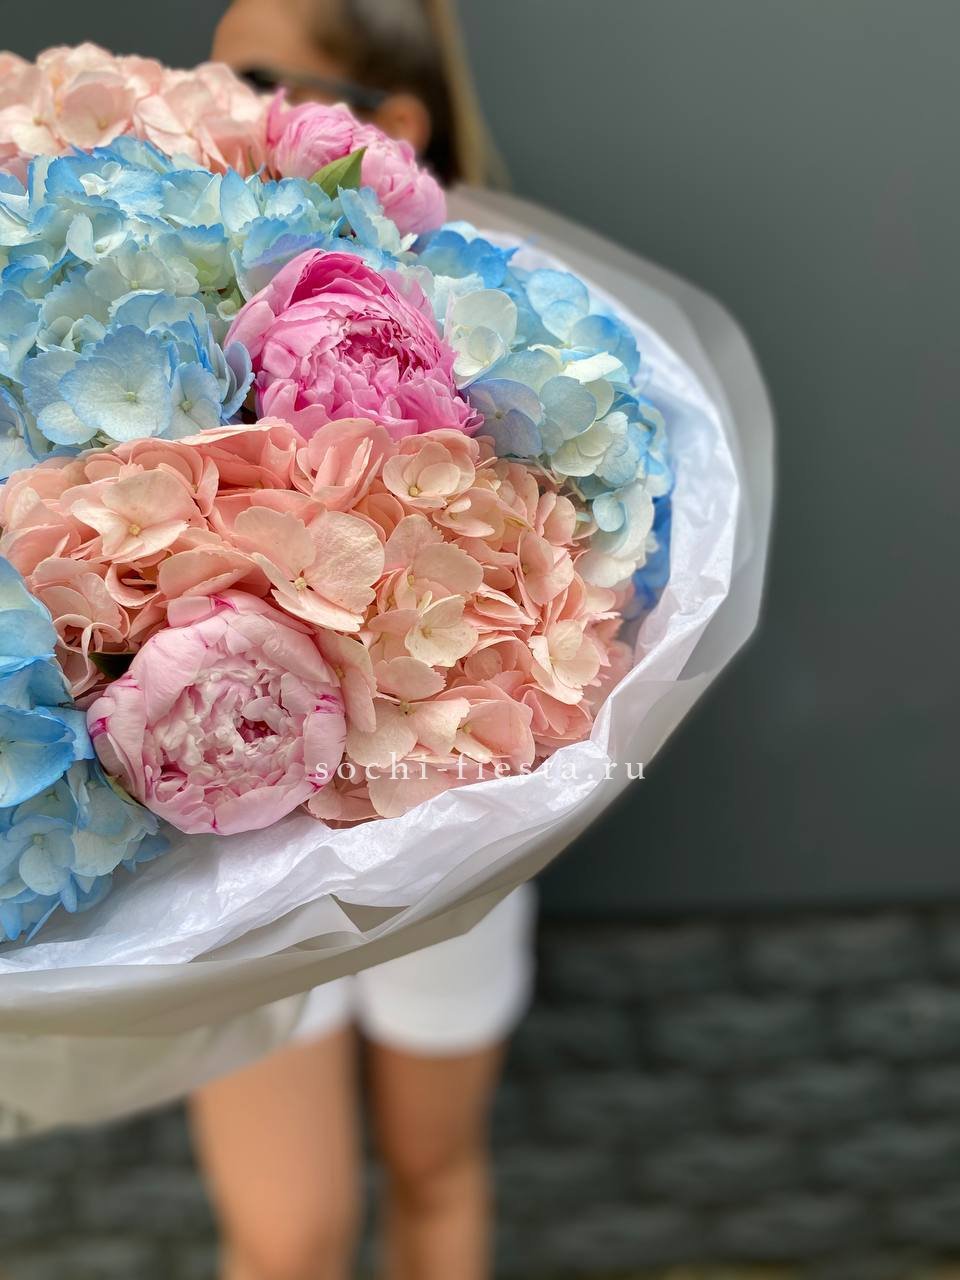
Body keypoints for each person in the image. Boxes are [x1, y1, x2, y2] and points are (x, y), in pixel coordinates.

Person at [191, 6, 528, 1280]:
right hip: (242, 828)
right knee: (290, 1238)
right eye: (204, 77)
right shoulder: (170, 281)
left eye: (257, 81)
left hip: (443, 810)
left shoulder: (509, 327)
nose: (219, 106)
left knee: (436, 1172)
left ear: (391, 127)